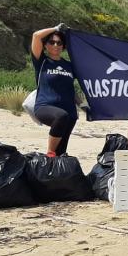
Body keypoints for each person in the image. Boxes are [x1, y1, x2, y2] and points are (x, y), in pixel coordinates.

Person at [30, 23, 81, 157]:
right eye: (52, 42)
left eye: (59, 43)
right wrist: (56, 29)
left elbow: (70, 88)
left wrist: (82, 104)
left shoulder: (69, 66)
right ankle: (49, 153)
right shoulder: (42, 62)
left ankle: (54, 169)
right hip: (45, 106)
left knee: (61, 152)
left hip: (70, 111)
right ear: (46, 45)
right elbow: (36, 36)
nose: (55, 45)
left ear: (63, 47)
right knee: (61, 116)